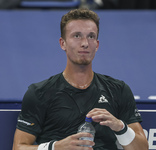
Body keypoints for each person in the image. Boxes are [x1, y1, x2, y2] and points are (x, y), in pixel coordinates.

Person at [12, 8, 148, 150]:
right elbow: (18, 147)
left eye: (91, 36)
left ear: (97, 44)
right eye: (77, 36)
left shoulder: (119, 90)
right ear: (62, 43)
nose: (85, 43)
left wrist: (120, 127)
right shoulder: (39, 93)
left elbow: (142, 148)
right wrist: (56, 147)